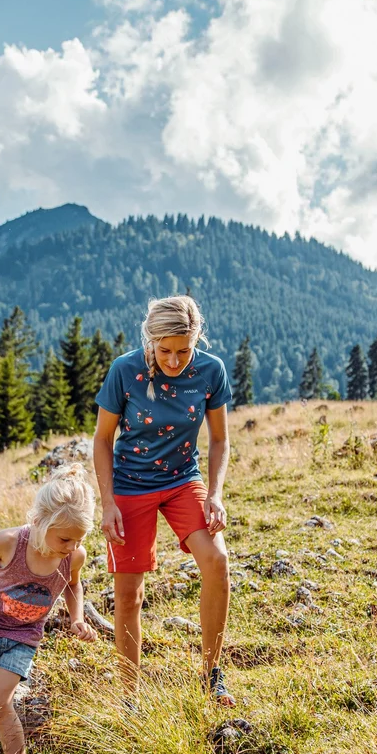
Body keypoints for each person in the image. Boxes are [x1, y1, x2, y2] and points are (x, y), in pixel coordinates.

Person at [93, 295, 234, 707]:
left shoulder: (211, 371)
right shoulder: (125, 370)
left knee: (217, 560)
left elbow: (221, 439)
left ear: (196, 341)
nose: (174, 361)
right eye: (165, 350)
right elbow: (102, 440)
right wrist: (107, 503)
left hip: (182, 481)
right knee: (128, 594)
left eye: (184, 350)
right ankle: (129, 696)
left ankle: (211, 675)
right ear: (150, 340)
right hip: (129, 486)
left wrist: (215, 494)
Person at [0, 463, 98, 754]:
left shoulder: (73, 555)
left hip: (23, 638)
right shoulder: (8, 542)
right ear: (39, 521)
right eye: (65, 539)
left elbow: (73, 584)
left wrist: (76, 618)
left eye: (78, 540)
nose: (72, 547)